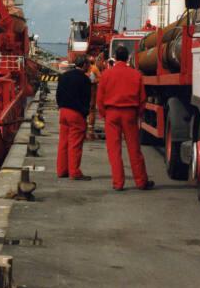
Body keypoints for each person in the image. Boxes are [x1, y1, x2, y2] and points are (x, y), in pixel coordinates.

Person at [97, 45, 154, 191]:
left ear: (115, 58)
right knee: (134, 149)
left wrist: (104, 114)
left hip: (112, 113)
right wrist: (138, 114)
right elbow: (142, 98)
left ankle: (118, 183)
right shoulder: (136, 75)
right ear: (128, 58)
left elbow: (100, 98)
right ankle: (141, 181)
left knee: (114, 150)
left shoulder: (106, 75)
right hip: (129, 113)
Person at [55, 55, 92, 180]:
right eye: (88, 64)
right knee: (75, 144)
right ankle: (74, 172)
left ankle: (61, 170)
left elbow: (58, 94)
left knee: (63, 143)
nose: (90, 66)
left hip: (63, 111)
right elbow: (87, 100)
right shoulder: (85, 80)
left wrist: (61, 106)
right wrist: (85, 113)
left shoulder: (64, 76)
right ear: (84, 65)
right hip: (76, 113)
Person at [86, 56, 102, 138]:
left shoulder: (94, 69)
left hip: (92, 90)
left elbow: (100, 78)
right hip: (85, 91)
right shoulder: (85, 69)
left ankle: (90, 126)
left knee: (92, 108)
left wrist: (93, 81)